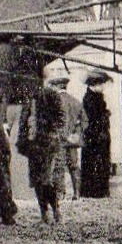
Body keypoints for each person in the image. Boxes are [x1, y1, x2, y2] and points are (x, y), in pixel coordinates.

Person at [17, 65, 72, 222]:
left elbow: (61, 118)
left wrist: (51, 132)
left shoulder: (52, 95)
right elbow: (23, 122)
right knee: (36, 180)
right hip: (33, 145)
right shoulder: (29, 99)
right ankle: (44, 212)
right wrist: (22, 141)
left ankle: (55, 210)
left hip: (47, 144)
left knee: (46, 179)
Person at [46, 68, 86, 198]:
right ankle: (77, 193)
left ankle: (60, 193)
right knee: (74, 166)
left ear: (57, 86)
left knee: (59, 166)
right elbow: (84, 121)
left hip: (59, 139)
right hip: (72, 140)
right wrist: (76, 134)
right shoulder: (76, 101)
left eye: (52, 85)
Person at [79, 72, 113, 198]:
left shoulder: (96, 97)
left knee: (99, 162)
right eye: (101, 84)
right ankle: (95, 192)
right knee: (95, 162)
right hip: (94, 136)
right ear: (94, 85)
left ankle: (99, 190)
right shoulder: (90, 98)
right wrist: (106, 114)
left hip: (98, 135)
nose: (103, 87)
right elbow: (94, 117)